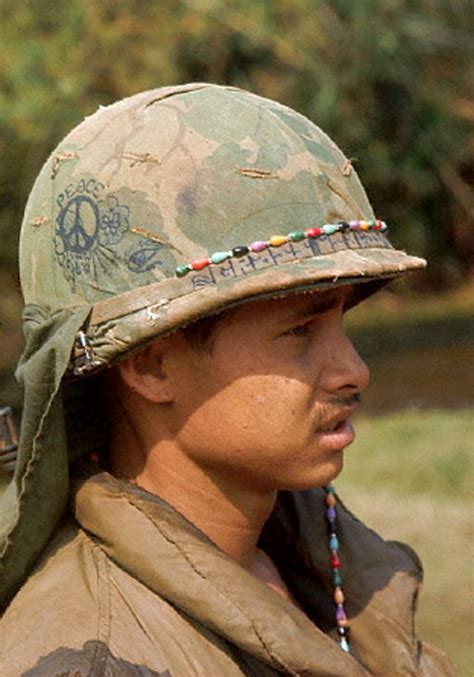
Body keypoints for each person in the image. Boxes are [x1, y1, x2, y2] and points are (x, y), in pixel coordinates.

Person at [0, 84, 455, 676]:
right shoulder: (95, 657)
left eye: (341, 320)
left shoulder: (322, 567)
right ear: (150, 365)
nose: (353, 371)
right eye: (299, 332)